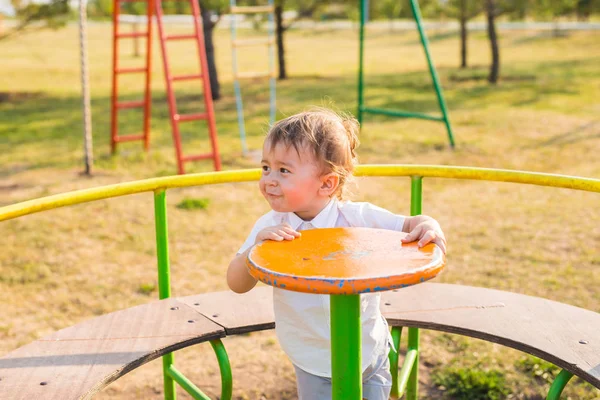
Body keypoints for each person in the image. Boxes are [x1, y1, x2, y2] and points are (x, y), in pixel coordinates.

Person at [227, 108, 447, 400]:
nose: (269, 179)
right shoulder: (270, 226)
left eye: (284, 170)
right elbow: (236, 283)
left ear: (327, 183)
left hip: (368, 349)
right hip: (311, 358)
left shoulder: (356, 219)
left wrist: (429, 226)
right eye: (265, 167)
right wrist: (254, 250)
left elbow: (412, 223)